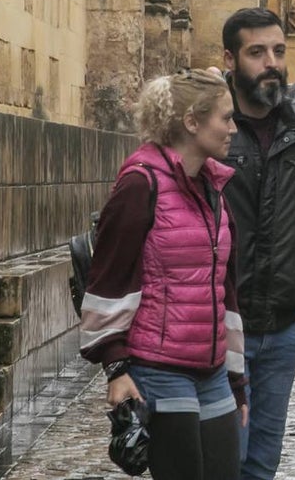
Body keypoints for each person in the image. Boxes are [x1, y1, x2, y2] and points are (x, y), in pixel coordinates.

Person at [80, 69, 246, 480]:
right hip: (158, 369)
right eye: (225, 118)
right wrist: (116, 368)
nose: (233, 129)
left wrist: (236, 379)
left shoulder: (214, 187)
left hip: (212, 370)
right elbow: (106, 280)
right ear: (192, 122)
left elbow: (224, 288)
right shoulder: (141, 184)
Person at [219, 8, 295, 480]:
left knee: (263, 459)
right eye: (256, 52)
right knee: (226, 456)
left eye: (277, 50)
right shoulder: (215, 123)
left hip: (286, 322)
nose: (271, 62)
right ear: (230, 59)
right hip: (223, 324)